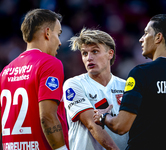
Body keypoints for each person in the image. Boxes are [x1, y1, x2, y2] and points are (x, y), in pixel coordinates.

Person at [93, 14, 166, 150]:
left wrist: (104, 117)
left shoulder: (141, 73)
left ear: (158, 37)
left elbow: (121, 126)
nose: (141, 39)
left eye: (145, 33)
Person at [0, 9, 69, 150]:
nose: (60, 42)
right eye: (58, 34)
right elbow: (47, 117)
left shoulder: (5, 71)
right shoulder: (50, 63)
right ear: (48, 33)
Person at [63, 28, 129, 150]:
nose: (89, 58)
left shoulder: (126, 87)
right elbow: (92, 124)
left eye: (95, 51)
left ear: (110, 54)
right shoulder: (73, 84)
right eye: (84, 53)